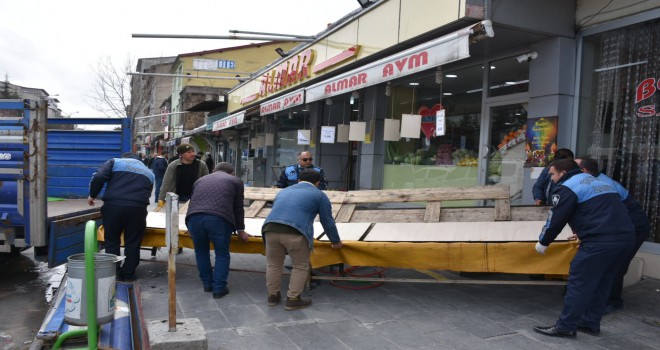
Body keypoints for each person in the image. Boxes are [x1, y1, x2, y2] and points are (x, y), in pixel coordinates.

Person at [532, 159, 634, 338]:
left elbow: (556, 218)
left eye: (553, 174)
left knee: (579, 283)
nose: (551, 178)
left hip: (599, 242)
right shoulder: (598, 182)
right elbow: (602, 210)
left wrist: (543, 242)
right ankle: (590, 323)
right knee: (603, 283)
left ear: (562, 173)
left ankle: (565, 326)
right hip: (625, 238)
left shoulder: (567, 187)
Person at [575, 156, 651, 314]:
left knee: (616, 264)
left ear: (584, 171)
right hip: (618, 225)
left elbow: (611, 213)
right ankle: (600, 297)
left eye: (573, 168)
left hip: (633, 226)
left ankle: (613, 301)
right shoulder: (591, 181)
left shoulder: (605, 185)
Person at [263, 169, 343, 310]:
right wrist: (335, 241)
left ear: (299, 180)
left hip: (270, 229)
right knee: (300, 266)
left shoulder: (283, 191)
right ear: (317, 183)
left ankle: (272, 296)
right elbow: (327, 222)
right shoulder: (319, 195)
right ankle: (293, 298)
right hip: (296, 231)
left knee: (273, 265)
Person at [185, 162, 249, 298]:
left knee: (201, 252)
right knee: (221, 253)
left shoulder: (200, 180)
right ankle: (219, 289)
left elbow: (192, 202)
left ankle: (207, 284)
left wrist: (189, 227)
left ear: (214, 170)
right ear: (232, 173)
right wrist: (241, 230)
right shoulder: (235, 181)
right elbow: (238, 208)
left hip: (194, 218)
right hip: (219, 219)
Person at [87, 152, 154, 281]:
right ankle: (129, 274)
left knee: (112, 240)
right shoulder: (149, 172)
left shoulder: (115, 162)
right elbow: (148, 192)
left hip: (114, 207)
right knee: (133, 242)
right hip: (137, 209)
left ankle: (115, 273)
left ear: (125, 158)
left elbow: (99, 176)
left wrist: (93, 194)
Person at [155, 144, 209, 209]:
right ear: (181, 154)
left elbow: (207, 182)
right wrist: (161, 199)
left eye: (193, 151)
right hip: (178, 198)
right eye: (189, 152)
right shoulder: (173, 165)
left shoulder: (201, 165)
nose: (192, 154)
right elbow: (166, 183)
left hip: (196, 197)